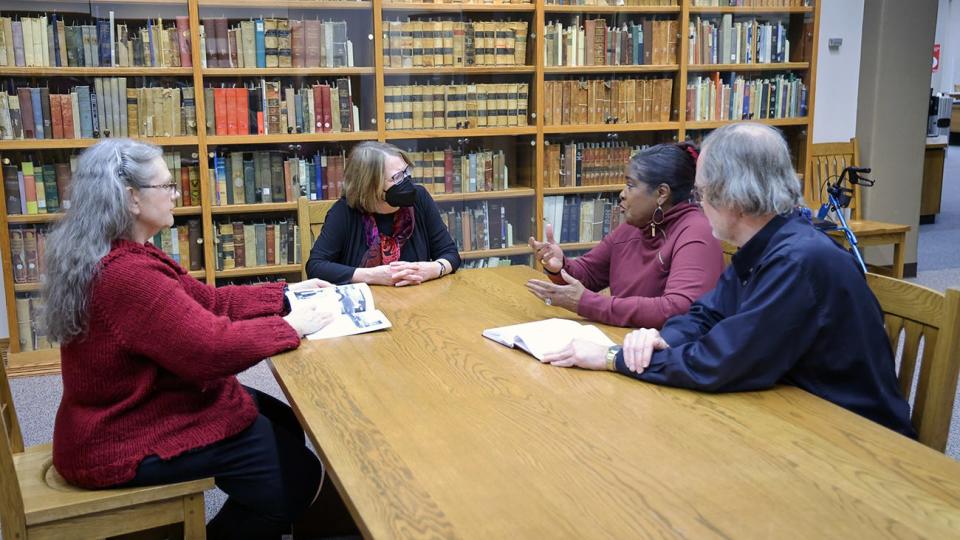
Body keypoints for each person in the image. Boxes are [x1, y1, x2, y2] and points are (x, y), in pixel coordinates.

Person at [43, 139, 338, 539]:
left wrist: (287, 297)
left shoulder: (128, 254)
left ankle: (265, 508)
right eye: (166, 186)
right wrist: (292, 327)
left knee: (281, 419)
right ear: (132, 199)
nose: (175, 195)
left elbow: (211, 302)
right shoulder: (129, 275)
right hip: (118, 437)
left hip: (134, 408)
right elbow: (208, 350)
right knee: (296, 478)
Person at [542, 123, 916, 438]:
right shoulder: (768, 244)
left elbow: (720, 361)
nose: (698, 204)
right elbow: (705, 315)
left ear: (731, 195)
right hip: (792, 412)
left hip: (854, 437)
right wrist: (660, 339)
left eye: (701, 193)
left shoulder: (797, 261)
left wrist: (613, 357)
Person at [527, 142, 723, 328]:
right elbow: (589, 275)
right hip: (623, 340)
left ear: (662, 193)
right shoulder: (636, 226)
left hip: (663, 353)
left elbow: (678, 309)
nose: (622, 193)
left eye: (630, 185)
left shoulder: (697, 232)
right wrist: (560, 266)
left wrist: (590, 304)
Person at [306, 141, 461, 286]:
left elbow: (450, 254)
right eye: (397, 177)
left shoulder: (419, 199)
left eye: (406, 172)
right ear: (371, 185)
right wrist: (371, 276)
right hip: (367, 305)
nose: (407, 180)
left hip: (417, 302)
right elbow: (316, 267)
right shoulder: (344, 212)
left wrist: (432, 269)